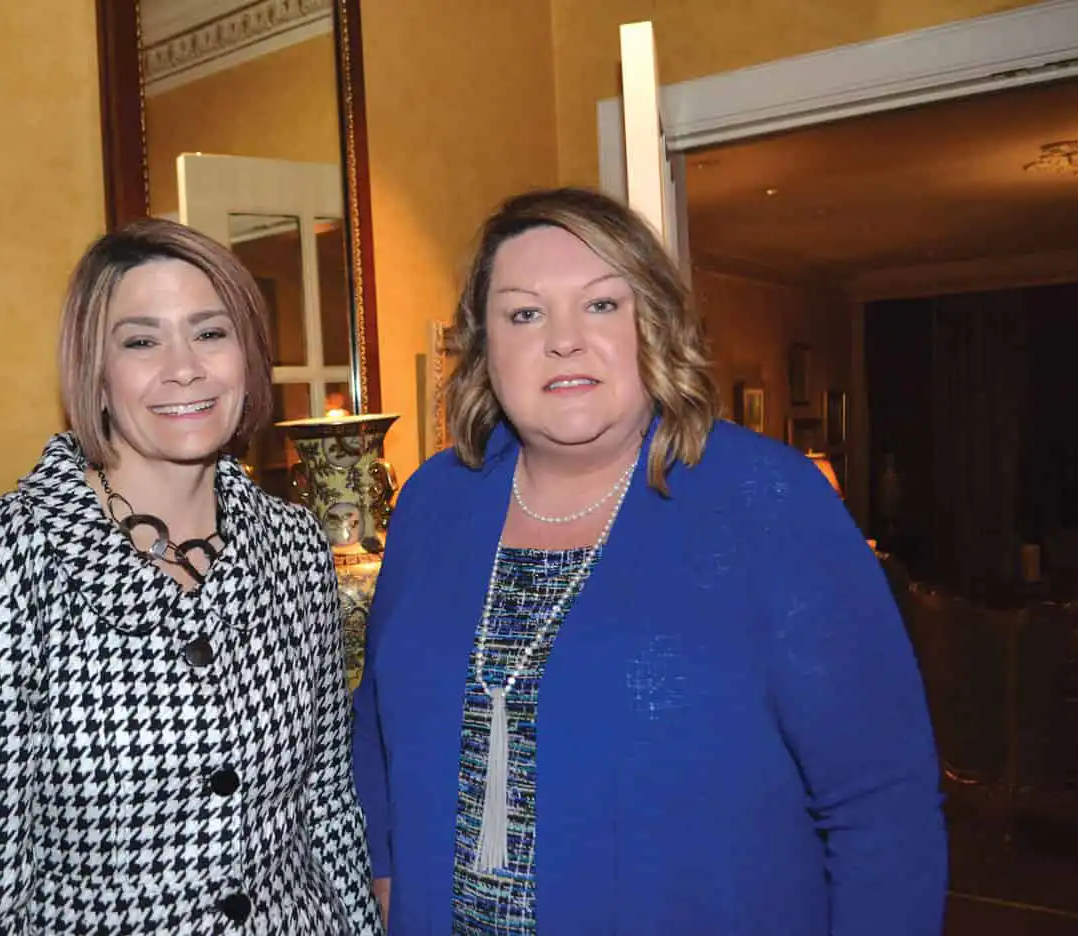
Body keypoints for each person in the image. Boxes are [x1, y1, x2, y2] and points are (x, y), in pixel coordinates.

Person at [352, 187, 945, 934]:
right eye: (524, 313)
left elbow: (881, 804)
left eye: (602, 304)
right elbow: (376, 719)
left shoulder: (766, 501)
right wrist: (386, 873)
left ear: (654, 324)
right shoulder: (433, 503)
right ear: (483, 345)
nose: (563, 340)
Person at [0, 218, 383, 934]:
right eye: (141, 341)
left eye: (210, 332)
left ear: (248, 355)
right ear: (94, 371)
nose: (184, 367)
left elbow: (327, 803)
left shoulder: (294, 545)